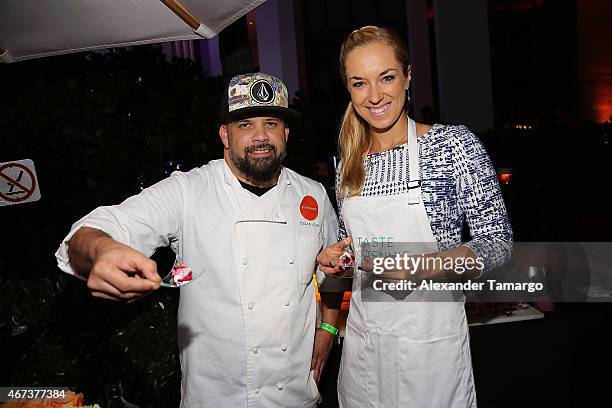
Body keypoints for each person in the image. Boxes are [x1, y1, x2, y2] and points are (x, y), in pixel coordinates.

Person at [55, 72, 348, 407]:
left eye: (271, 123)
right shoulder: (188, 191)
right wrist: (102, 250)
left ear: (286, 132)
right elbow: (91, 230)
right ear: (224, 135)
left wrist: (328, 329)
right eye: (244, 125)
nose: (261, 136)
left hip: (295, 394)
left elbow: (332, 272)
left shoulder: (311, 194)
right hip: (217, 397)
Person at [317, 26, 512, 407]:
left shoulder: (452, 145)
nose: (374, 96)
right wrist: (336, 261)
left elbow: (498, 244)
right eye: (360, 83)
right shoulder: (346, 164)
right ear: (349, 90)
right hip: (364, 349)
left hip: (430, 354)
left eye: (386, 77)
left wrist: (419, 267)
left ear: (408, 76)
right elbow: (357, 256)